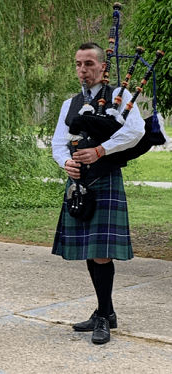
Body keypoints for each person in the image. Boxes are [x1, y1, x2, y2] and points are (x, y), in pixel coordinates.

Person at [51, 42, 145, 345]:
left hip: (104, 177)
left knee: (102, 252)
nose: (83, 69)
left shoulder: (120, 96)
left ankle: (103, 317)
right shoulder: (71, 103)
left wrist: (102, 150)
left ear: (103, 67)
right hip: (79, 183)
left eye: (89, 63)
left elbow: (136, 131)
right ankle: (106, 311)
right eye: (78, 64)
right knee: (91, 250)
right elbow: (58, 141)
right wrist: (65, 162)